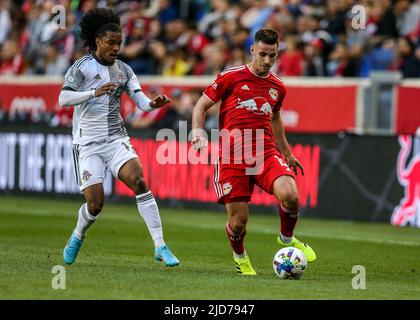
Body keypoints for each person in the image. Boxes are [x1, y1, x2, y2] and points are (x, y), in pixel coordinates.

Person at [59, 8, 179, 267]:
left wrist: (153, 104)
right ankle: (78, 235)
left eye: (120, 43)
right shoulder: (81, 68)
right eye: (111, 43)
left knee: (139, 181)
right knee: (95, 204)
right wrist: (93, 92)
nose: (116, 48)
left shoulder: (124, 70)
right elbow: (63, 98)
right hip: (87, 143)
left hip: (115, 139)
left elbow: (141, 103)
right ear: (98, 41)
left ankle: (160, 245)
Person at [191, 28, 316, 276]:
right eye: (263, 54)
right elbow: (201, 105)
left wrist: (287, 153)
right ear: (252, 50)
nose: (268, 61)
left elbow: (276, 117)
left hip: (265, 153)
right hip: (232, 156)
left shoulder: (277, 86)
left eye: (273, 55)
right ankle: (240, 257)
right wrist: (197, 131)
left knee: (291, 195)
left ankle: (286, 238)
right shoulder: (231, 76)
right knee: (238, 223)